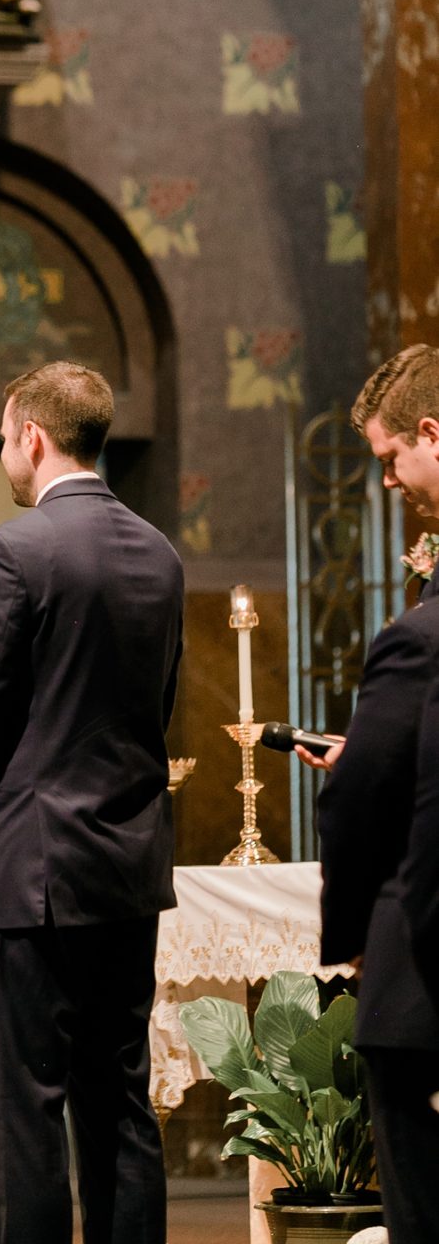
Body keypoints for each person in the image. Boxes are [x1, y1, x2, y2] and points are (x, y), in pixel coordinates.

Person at [0, 362, 184, 1244]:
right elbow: (158, 709)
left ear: (32, 436)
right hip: (126, 864)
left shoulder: (14, 550)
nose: (5, 450)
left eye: (6, 435)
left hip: (32, 868)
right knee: (120, 1100)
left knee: (25, 1112)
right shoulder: (158, 552)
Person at [304, 345, 439, 1244]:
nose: (386, 480)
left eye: (391, 458)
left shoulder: (417, 637)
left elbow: (355, 805)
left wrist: (348, 941)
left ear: (432, 435)